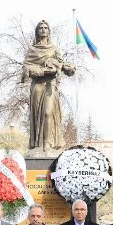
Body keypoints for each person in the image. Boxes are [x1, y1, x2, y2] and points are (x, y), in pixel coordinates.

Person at [22, 20, 76, 153]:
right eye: (40, 28)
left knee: (47, 113)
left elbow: (62, 65)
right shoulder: (32, 49)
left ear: (49, 31)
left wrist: (68, 68)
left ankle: (47, 143)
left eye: (46, 28)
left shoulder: (54, 49)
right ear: (37, 31)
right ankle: (38, 145)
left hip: (50, 85)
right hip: (37, 85)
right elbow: (26, 69)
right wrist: (43, 71)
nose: (43, 29)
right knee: (37, 116)